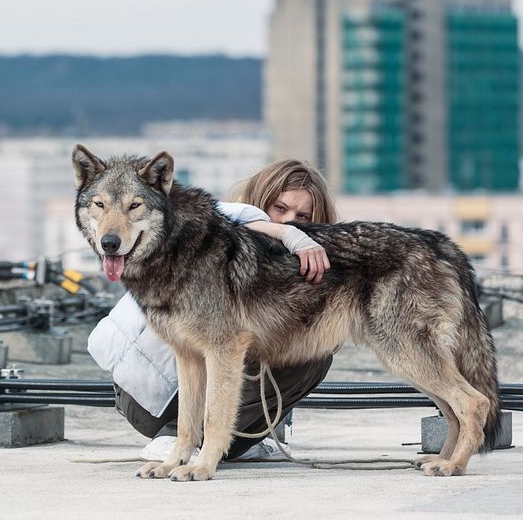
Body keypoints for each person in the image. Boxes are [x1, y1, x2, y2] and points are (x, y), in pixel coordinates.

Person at [87, 159, 339, 462]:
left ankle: (229, 441)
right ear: (260, 200)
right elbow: (238, 219)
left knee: (303, 340)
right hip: (146, 396)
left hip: (150, 392)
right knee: (282, 350)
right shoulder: (214, 228)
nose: (288, 222)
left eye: (302, 217)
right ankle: (182, 439)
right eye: (280, 209)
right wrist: (288, 234)